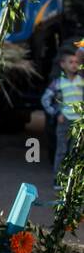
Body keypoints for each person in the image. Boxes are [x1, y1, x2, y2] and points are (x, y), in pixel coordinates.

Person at [41, 44, 84, 179]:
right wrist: (56, 113)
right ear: (62, 64)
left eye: (76, 62)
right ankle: (58, 179)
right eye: (70, 62)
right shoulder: (58, 83)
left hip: (78, 123)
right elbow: (45, 99)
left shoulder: (81, 82)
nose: (74, 65)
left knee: (76, 152)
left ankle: (72, 181)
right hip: (64, 120)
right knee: (62, 151)